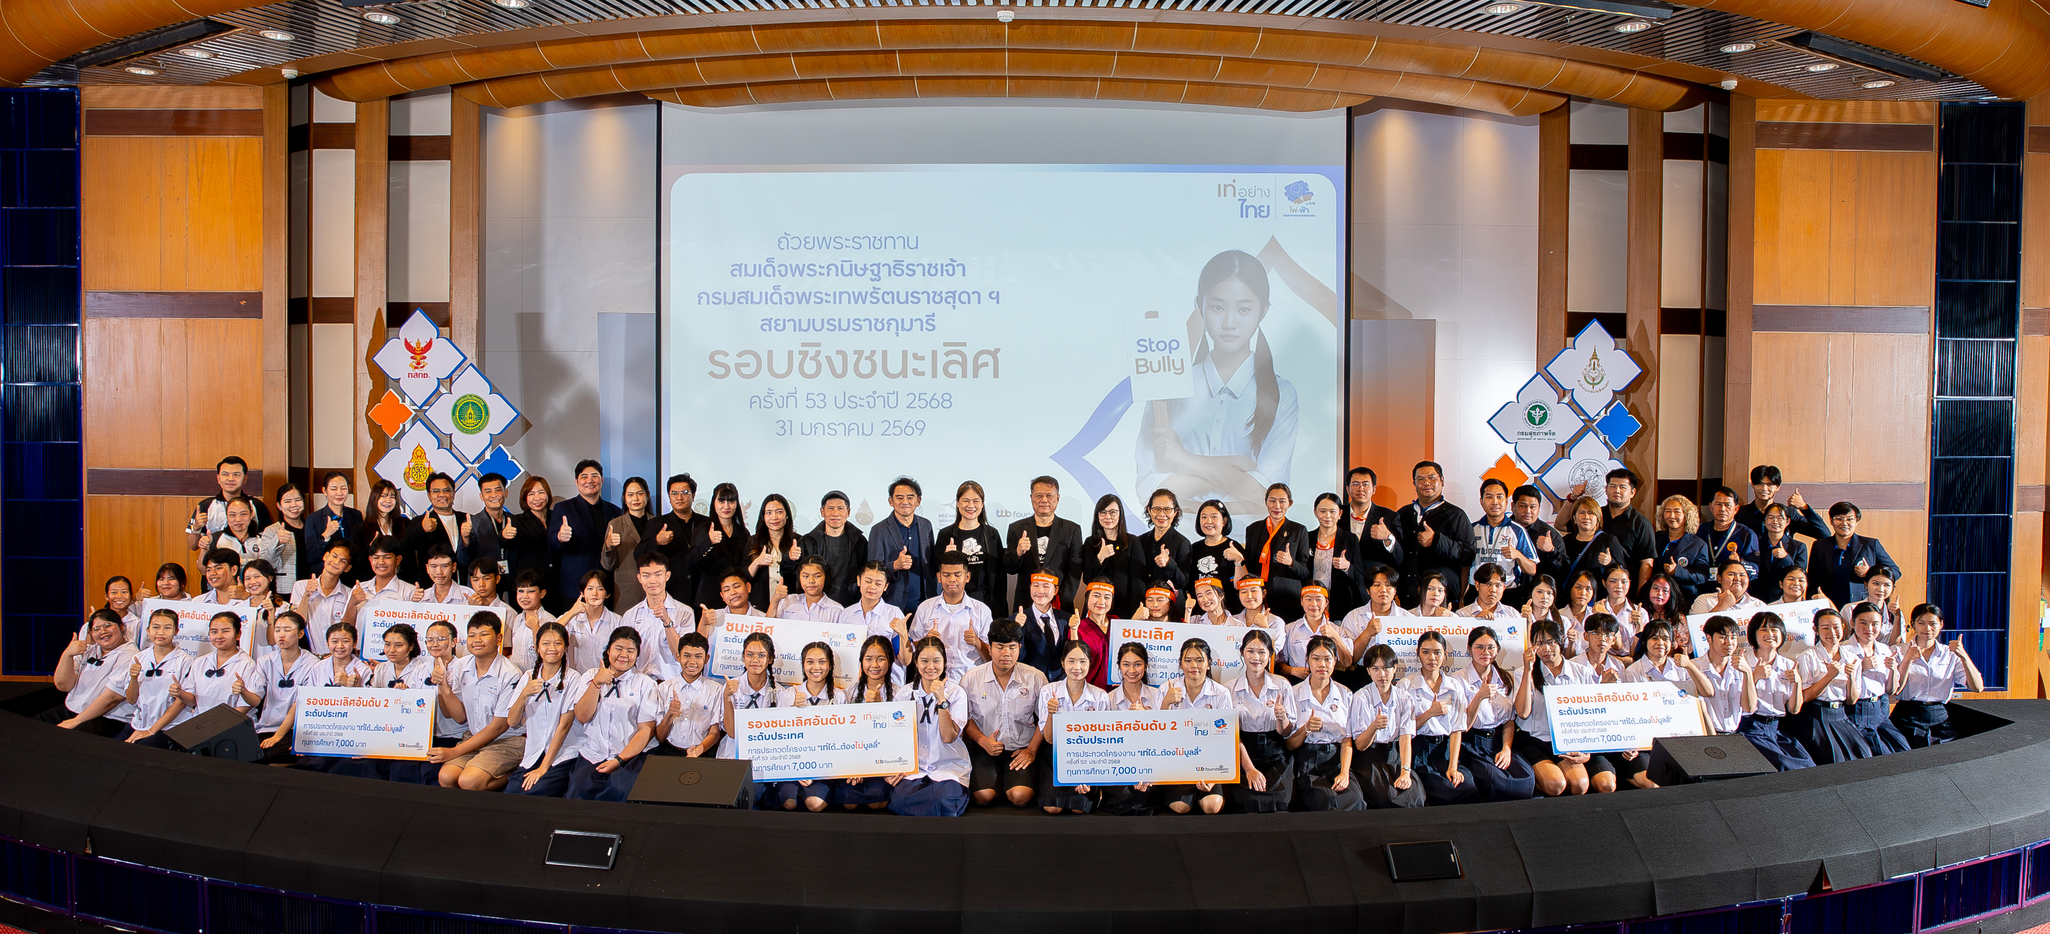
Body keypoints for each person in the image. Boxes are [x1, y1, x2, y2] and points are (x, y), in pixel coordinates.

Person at [1137, 248, 1304, 516]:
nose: (1229, 322)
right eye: (1217, 307)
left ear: (1263, 311)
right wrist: (1234, 470)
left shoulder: (1282, 394)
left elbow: (1268, 496)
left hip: (1249, 539)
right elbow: (1149, 489)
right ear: (1199, 306)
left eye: (1244, 309)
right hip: (1177, 538)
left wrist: (1184, 459)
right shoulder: (1169, 385)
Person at [566, 627, 659, 801]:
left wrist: (619, 760)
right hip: (594, 752)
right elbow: (582, 716)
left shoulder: (646, 684)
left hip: (630, 755)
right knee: (579, 791)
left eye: (630, 651)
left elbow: (645, 730)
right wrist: (596, 684)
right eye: (618, 648)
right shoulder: (590, 676)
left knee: (622, 791)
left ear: (637, 655)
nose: (624, 655)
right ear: (608, 650)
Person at [961, 619, 1046, 809]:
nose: (1006, 653)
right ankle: (996, 784)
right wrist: (983, 741)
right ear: (989, 649)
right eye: (999, 647)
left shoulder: (1035, 677)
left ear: (1019, 648)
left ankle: (1007, 783)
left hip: (1021, 749)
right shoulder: (971, 678)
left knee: (1020, 797)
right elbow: (964, 718)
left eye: (1012, 647)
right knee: (983, 797)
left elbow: (1046, 718)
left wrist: (1031, 750)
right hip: (984, 748)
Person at [1511, 619, 1603, 796]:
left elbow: (1591, 715)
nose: (1546, 649)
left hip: (1567, 740)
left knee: (1580, 784)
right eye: (1539, 643)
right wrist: (1528, 670)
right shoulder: (1522, 673)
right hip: (1535, 739)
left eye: (1551, 642)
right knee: (1555, 784)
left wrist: (1587, 752)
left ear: (1561, 641)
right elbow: (1522, 713)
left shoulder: (1582, 672)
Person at [437, 613, 527, 791]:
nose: (477, 640)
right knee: (446, 777)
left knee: (469, 781)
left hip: (505, 741)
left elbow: (499, 726)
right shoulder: (461, 666)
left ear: (499, 639)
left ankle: (517, 773)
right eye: (472, 635)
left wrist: (454, 752)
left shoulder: (510, 674)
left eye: (484, 634)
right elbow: (458, 717)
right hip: (473, 738)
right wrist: (443, 687)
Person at [1453, 626, 1537, 800]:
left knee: (1527, 778)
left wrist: (1506, 749)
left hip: (1501, 741)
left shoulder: (1505, 678)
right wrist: (1479, 697)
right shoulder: (1458, 680)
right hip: (1472, 744)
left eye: (1491, 647)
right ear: (1469, 649)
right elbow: (1463, 726)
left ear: (1497, 650)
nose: (1486, 652)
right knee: (1496, 781)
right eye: (1479, 647)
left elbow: (1509, 721)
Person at [504, 622, 587, 797]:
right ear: (537, 648)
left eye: (557, 643)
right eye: (546, 643)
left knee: (535, 793)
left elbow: (564, 726)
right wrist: (524, 694)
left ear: (566, 647)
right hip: (534, 752)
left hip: (563, 754)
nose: (552, 648)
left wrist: (543, 768)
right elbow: (512, 721)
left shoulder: (573, 678)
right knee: (511, 794)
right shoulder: (528, 676)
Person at [892, 636, 971, 817]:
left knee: (942, 799)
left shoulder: (956, 693)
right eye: (924, 661)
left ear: (944, 662)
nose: (930, 667)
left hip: (948, 767)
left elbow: (948, 737)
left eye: (936, 661)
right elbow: (896, 737)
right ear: (916, 662)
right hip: (915, 769)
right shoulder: (905, 694)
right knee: (899, 801)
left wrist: (941, 700)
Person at [1398, 631, 1479, 806]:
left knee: (1468, 788)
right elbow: (1403, 731)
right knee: (1443, 791)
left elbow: (1457, 729)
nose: (1431, 658)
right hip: (1417, 752)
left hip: (1445, 751)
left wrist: (1453, 767)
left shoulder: (1454, 685)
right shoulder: (1406, 685)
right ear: (1418, 653)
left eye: (1437, 652)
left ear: (1445, 655)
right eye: (1425, 652)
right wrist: (1429, 713)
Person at [1284, 636, 1364, 811]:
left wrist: (1344, 773)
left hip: (1336, 760)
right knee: (1326, 802)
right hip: (1307, 762)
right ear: (1307, 660)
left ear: (1335, 660)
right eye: (1316, 658)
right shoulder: (1293, 693)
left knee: (1356, 800)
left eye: (1327, 659)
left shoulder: (1346, 694)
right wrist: (1305, 729)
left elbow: (1347, 741)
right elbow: (1289, 744)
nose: (1322, 664)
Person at [1890, 604, 1984, 747]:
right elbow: (1893, 690)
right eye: (1921, 623)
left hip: (1939, 715)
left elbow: (1977, 687)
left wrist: (1963, 656)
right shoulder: (1898, 651)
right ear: (1913, 624)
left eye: (1933, 623)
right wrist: (1908, 660)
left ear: (1941, 624)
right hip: (1907, 715)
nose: (1927, 628)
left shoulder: (1950, 654)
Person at [1157, 638, 1233, 815]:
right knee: (1180, 807)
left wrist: (1214, 775)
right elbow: (1156, 735)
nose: (1193, 666)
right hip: (1176, 760)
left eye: (1199, 660)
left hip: (1209, 760)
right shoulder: (1165, 689)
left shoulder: (1221, 693)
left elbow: (1226, 739)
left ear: (1209, 664)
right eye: (1188, 660)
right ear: (1180, 664)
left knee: (1211, 806)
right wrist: (1166, 703)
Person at [1345, 644, 1424, 808]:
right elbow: (1360, 745)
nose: (1382, 674)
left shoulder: (1404, 697)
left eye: (1386, 668)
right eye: (1375, 669)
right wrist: (1374, 726)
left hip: (1395, 757)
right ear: (1368, 671)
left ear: (1395, 668)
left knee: (1415, 797)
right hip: (1369, 759)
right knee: (1388, 799)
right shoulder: (1361, 697)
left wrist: (1405, 772)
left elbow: (1405, 738)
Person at [1789, 610, 1872, 765]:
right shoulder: (1808, 656)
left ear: (1843, 627)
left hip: (1841, 714)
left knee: (1863, 755)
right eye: (1825, 628)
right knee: (1835, 761)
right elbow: (1804, 697)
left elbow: (1852, 700)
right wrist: (1829, 676)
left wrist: (1851, 678)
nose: (1832, 632)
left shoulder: (1852, 658)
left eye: (1836, 627)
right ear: (1816, 630)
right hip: (1816, 716)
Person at [1037, 639, 1110, 814]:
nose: (1077, 667)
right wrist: (1052, 713)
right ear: (1063, 663)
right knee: (1052, 808)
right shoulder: (1048, 691)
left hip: (1088, 758)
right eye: (1071, 661)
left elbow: (1103, 743)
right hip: (1055, 756)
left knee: (1078, 809)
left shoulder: (1100, 697)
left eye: (1082, 661)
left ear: (1090, 664)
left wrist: (1085, 773)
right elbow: (1049, 739)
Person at [772, 642, 848, 812]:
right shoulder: (789, 694)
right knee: (789, 802)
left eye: (822, 662)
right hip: (792, 765)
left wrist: (815, 770)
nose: (816, 667)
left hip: (824, 766)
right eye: (810, 662)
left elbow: (841, 741)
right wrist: (792, 710)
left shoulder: (839, 697)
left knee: (815, 804)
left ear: (830, 665)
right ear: (803, 665)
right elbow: (779, 736)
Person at [1736, 612, 1816, 771]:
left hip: (1775, 729)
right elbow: (1740, 705)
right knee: (1784, 765)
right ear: (1753, 634)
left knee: (1807, 764)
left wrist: (1798, 682)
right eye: (1763, 630)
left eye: (1774, 630)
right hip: (1750, 728)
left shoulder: (1789, 665)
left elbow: (1794, 709)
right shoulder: (1742, 663)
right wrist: (1754, 677)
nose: (1770, 634)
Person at [43, 609, 140, 736]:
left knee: (61, 738)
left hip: (107, 717)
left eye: (108, 625)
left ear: (122, 627)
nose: (103, 631)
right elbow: (63, 686)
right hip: (74, 709)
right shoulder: (89, 650)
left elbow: (112, 698)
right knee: (34, 727)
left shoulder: (131, 655)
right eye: (96, 629)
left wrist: (76, 721)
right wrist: (67, 654)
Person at [1228, 630, 1294, 812]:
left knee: (1281, 800)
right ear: (1242, 652)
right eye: (1250, 651)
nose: (1255, 657)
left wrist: (1282, 718)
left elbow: (1286, 732)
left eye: (1261, 652)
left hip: (1276, 753)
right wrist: (1249, 769)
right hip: (1243, 753)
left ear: (1270, 655)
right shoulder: (1229, 688)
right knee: (1245, 801)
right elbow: (1230, 734)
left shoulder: (1282, 685)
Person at [549, 460, 624, 612]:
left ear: (602, 480)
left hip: (606, 585)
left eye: (594, 476)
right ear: (576, 481)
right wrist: (560, 537)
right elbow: (551, 541)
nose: (590, 480)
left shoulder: (615, 511)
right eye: (584, 477)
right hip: (574, 585)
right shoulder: (563, 508)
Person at [1095, 642, 1160, 816]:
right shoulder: (1106, 699)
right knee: (1122, 796)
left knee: (1147, 792)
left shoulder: (1158, 696)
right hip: (1117, 765)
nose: (1132, 670)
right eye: (1126, 664)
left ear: (1146, 666)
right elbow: (1102, 743)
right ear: (1119, 667)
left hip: (1149, 764)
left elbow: (1162, 741)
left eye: (1137, 664)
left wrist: (1145, 720)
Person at [1398, 462, 1475, 607]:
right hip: (1408, 597)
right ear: (1414, 483)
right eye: (1420, 479)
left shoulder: (1456, 515)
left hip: (1443, 598)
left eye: (1432, 478)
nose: (1426, 483)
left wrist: (1436, 540)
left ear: (1442, 480)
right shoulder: (1403, 513)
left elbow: (1468, 554)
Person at [246, 610, 319, 763]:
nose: (281, 635)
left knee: (272, 755)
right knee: (249, 753)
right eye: (277, 630)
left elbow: (300, 704)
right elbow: (255, 699)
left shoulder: (313, 664)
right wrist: (243, 691)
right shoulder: (265, 661)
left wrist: (278, 736)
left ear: (300, 634)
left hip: (295, 729)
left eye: (287, 630)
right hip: (267, 726)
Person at [841, 636, 903, 811]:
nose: (874, 665)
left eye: (880, 659)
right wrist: (853, 766)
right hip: (855, 758)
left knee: (876, 804)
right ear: (861, 662)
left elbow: (900, 736)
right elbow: (843, 733)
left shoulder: (900, 694)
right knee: (849, 803)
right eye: (868, 659)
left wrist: (879, 708)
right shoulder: (849, 692)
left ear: (890, 661)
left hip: (884, 761)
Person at [1004, 476, 1083, 613]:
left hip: (1059, 604)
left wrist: (1060, 599)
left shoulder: (1072, 529)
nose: (1044, 500)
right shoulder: (1016, 528)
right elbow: (1010, 568)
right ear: (1031, 498)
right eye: (1039, 495)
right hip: (1025, 604)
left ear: (1057, 498)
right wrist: (1018, 552)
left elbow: (1075, 570)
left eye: (1049, 496)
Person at [114, 609, 192, 748]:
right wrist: (133, 678)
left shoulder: (185, 660)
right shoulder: (139, 658)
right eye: (156, 627)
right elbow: (131, 699)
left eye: (167, 628)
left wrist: (151, 731)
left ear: (176, 631)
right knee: (113, 748)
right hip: (140, 723)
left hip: (170, 727)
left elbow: (181, 702)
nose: (161, 632)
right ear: (148, 631)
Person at [911, 551, 993, 677]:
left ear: (967, 577)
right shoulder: (925, 608)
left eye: (957, 575)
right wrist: (925, 641)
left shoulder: (982, 610)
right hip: (933, 678)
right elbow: (910, 651)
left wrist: (977, 643)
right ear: (939, 577)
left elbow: (991, 658)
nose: (952, 579)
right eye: (946, 575)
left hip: (971, 679)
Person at [1844, 603, 1912, 754]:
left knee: (1903, 749)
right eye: (1863, 623)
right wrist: (1861, 667)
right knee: (1879, 754)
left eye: (1875, 624)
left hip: (1879, 710)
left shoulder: (1884, 649)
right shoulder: (1843, 650)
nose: (1869, 628)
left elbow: (1891, 690)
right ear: (1852, 623)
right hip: (1854, 711)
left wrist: (1893, 670)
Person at [620, 553, 699, 682]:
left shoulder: (685, 613)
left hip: (672, 683)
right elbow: (624, 653)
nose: (652, 581)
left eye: (658, 575)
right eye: (646, 575)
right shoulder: (630, 615)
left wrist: (667, 622)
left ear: (667, 576)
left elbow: (682, 655)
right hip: (639, 684)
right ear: (639, 578)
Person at [169, 613, 257, 728]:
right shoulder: (200, 662)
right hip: (201, 725)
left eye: (225, 631)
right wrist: (180, 693)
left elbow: (246, 705)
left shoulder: (247, 664)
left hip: (232, 725)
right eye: (214, 632)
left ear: (238, 634)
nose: (219, 636)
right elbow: (192, 700)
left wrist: (216, 726)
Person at [935, 480, 1007, 618]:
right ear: (957, 503)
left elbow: (1000, 574)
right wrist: (946, 558)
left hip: (986, 599)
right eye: (965, 501)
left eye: (976, 501)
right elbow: (936, 570)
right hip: (955, 600)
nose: (971, 505)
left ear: (982, 503)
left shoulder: (992, 534)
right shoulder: (945, 534)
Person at [1807, 501, 1900, 607]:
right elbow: (1812, 580)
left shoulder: (1870, 544)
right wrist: (1811, 601)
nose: (1844, 523)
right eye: (1839, 519)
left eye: (1849, 519)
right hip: (1828, 606)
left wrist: (1869, 573)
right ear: (1831, 521)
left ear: (1856, 521)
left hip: (1860, 606)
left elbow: (1895, 572)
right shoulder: (1819, 546)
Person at [631, 473, 705, 603]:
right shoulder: (657, 523)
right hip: (672, 591)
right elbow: (638, 554)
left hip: (702, 591)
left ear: (693, 496)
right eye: (674, 493)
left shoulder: (706, 523)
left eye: (685, 493)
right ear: (669, 497)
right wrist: (656, 541)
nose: (679, 497)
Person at [1243, 484, 1311, 620]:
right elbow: (1250, 566)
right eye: (1272, 501)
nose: (1277, 506)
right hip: (1257, 597)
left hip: (1287, 599)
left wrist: (1291, 563)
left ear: (1290, 503)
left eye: (1282, 501)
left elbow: (1306, 572)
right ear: (1266, 502)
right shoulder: (1253, 529)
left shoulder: (1298, 530)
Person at [868, 477, 936, 612]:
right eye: (899, 497)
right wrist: (895, 565)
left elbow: (932, 563)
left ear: (918, 501)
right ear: (891, 501)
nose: (905, 502)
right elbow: (872, 570)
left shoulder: (926, 525)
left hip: (924, 603)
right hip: (892, 603)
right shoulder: (879, 530)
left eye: (910, 497)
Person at [1338, 566, 1410, 690]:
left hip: (1399, 676)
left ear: (1395, 590)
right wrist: (1367, 633)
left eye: (1388, 585)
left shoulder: (1407, 618)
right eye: (1377, 585)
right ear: (1368, 590)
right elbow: (1349, 659)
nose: (1383, 590)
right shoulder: (1353, 617)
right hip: (1363, 676)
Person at [653, 632, 722, 759]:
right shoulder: (664, 688)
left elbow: (715, 732)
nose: (692, 661)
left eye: (698, 656)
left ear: (706, 659)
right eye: (687, 655)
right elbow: (660, 737)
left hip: (703, 753)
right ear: (678, 657)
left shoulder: (716, 690)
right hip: (669, 753)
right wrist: (670, 715)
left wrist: (698, 751)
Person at [1079, 493, 1147, 618]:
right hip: (1097, 607)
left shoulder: (1132, 541)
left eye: (1112, 512)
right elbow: (1087, 578)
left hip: (1124, 607)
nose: (1107, 517)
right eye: (1103, 512)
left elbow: (1138, 583)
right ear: (1097, 515)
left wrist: (1135, 612)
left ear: (1120, 514)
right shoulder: (1090, 542)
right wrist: (1100, 558)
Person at [184, 456, 271, 552]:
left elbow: (267, 542)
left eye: (236, 475)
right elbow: (193, 546)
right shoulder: (206, 506)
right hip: (215, 560)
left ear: (245, 478)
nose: (230, 479)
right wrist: (196, 528)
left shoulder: (257, 506)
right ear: (218, 478)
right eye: (225, 474)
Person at [717, 631, 779, 765]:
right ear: (743, 657)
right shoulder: (731, 687)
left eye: (761, 655)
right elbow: (732, 732)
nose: (755, 660)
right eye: (750, 655)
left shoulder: (780, 692)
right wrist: (727, 698)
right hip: (733, 756)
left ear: (770, 659)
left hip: (765, 758)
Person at [797, 489, 866, 607]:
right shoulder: (808, 541)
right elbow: (797, 575)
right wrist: (789, 559)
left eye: (840, 508)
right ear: (822, 512)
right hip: (816, 604)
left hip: (850, 604)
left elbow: (865, 573)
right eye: (830, 508)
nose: (835, 513)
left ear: (848, 512)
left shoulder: (859, 541)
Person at [685, 482, 749, 609]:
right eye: (721, 501)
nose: (726, 506)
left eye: (731, 501)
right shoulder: (703, 530)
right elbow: (689, 563)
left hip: (737, 599)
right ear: (714, 503)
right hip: (710, 598)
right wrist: (708, 542)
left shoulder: (743, 532)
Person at [1470, 479, 1536, 601]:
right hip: (1476, 591)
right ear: (1481, 501)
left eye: (1499, 497)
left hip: (1508, 593)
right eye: (1489, 497)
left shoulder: (1517, 530)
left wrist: (1518, 555)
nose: (1495, 502)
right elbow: (1464, 566)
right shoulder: (1471, 529)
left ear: (1506, 501)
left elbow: (1532, 569)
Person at [837, 562, 910, 671]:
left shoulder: (894, 613)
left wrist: (903, 635)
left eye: (878, 583)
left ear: (885, 586)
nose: (872, 587)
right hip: (853, 677)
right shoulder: (846, 614)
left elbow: (906, 661)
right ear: (859, 581)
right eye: (868, 581)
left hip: (888, 678)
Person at [1695, 615, 1757, 741]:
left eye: (1733, 637)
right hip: (1703, 737)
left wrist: (1748, 673)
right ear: (1709, 638)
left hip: (1734, 735)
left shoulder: (1741, 668)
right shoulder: (1695, 667)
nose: (1729, 642)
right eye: (1723, 637)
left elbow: (1749, 708)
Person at [404, 473, 471, 589]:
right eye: (436, 491)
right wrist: (422, 529)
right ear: (429, 495)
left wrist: (467, 539)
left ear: (453, 493)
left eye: (446, 490)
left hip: (466, 588)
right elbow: (404, 549)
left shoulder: (467, 519)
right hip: (431, 589)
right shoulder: (419, 522)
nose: (442, 495)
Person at [599, 476, 656, 610]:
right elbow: (608, 565)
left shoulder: (657, 523)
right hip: (627, 592)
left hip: (654, 588)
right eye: (630, 495)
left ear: (647, 496)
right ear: (624, 498)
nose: (635, 498)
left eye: (640, 493)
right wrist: (608, 546)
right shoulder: (615, 524)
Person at [503, 476, 561, 608]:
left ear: (548, 494)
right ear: (525, 498)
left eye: (541, 492)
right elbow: (506, 543)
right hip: (530, 586)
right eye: (531, 494)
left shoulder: (558, 518)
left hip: (556, 584)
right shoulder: (517, 521)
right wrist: (504, 536)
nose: (537, 498)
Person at [1307, 493, 1366, 619]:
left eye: (1332, 511)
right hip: (1312, 603)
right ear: (1315, 512)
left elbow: (1360, 577)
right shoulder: (1307, 537)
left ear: (1340, 514)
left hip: (1341, 603)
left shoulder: (1350, 539)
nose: (1327, 515)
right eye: (1322, 511)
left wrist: (1347, 566)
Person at [1180, 500, 1245, 612]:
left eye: (1214, 517)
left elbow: (1243, 584)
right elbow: (1188, 582)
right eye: (1204, 517)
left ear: (1224, 521)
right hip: (1200, 612)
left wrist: (1238, 560)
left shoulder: (1234, 547)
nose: (1208, 521)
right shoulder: (1194, 548)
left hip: (1230, 611)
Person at [1735, 465, 1829, 543]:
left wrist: (1804, 508)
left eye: (1769, 484)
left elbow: (1824, 535)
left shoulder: (1788, 513)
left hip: (1782, 559)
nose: (1764, 488)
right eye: (1759, 484)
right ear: (1753, 485)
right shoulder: (1740, 513)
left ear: (1778, 487)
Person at [1343, 467, 1405, 585]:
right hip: (1343, 583)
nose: (1361, 488)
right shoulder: (1337, 514)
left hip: (1374, 583)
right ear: (1347, 489)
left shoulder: (1389, 516)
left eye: (1366, 484)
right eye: (1355, 484)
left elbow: (1400, 557)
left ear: (1374, 489)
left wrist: (1388, 537)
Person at [744, 493, 803, 612]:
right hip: (760, 608)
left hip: (791, 607)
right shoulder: (753, 542)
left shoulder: (798, 541)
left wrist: (792, 559)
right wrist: (757, 562)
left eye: (779, 512)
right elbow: (743, 577)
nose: (774, 517)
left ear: (787, 515)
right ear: (763, 517)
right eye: (769, 513)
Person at [340, 536, 416, 628]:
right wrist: (352, 604)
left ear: (398, 559)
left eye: (387, 557)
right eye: (376, 557)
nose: (381, 562)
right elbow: (344, 628)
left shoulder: (409, 591)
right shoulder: (359, 589)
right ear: (370, 560)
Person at [1280, 584, 1351, 680]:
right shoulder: (1289, 629)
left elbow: (1347, 662)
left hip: (1327, 681)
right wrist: (1292, 670)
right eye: (1308, 599)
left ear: (1326, 602)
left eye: (1318, 599)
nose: (1313, 604)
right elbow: (1277, 664)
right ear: (1301, 601)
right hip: (1297, 681)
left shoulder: (1337, 630)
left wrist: (1335, 637)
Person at [1510, 486, 1568, 606]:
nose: (1528, 511)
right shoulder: (1503, 529)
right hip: (1506, 597)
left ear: (1539, 508)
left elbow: (1564, 571)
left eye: (1533, 507)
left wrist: (1551, 552)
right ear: (1512, 506)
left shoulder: (1550, 534)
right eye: (1523, 506)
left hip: (1537, 602)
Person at [1557, 496, 1627, 593]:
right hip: (1569, 595)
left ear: (1598, 518)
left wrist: (1610, 562)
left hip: (1597, 595)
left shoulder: (1609, 540)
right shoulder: (1566, 540)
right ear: (1574, 518)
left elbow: (1623, 571)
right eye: (1581, 512)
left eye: (1590, 513)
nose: (1586, 517)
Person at [1695, 487, 1762, 587]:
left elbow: (1755, 570)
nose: (1722, 509)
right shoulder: (1699, 531)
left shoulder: (1747, 534)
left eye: (1727, 505)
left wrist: (1740, 562)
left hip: (1732, 590)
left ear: (1736, 509)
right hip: (1701, 589)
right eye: (1718, 504)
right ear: (1711, 506)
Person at [1652, 494, 1711, 604]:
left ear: (1686, 515)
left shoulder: (1698, 544)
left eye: (1677, 511)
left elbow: (1702, 576)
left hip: (1682, 599)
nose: (1671, 515)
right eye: (1668, 511)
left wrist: (1677, 571)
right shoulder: (1655, 538)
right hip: (1656, 598)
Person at [560, 571, 623, 674]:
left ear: (607, 594)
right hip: (575, 679)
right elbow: (550, 632)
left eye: (600, 589)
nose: (595, 593)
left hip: (605, 678)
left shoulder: (618, 621)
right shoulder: (571, 617)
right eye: (590, 589)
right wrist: (571, 612)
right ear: (582, 593)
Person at [248, 482, 309, 588]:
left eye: (298, 500)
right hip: (285, 587)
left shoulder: (311, 526)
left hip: (310, 585)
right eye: (287, 501)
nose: (294, 504)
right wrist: (278, 541)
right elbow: (267, 563)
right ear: (279, 506)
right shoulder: (271, 530)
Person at [1138, 489, 1193, 598]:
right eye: (1156, 509)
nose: (1161, 514)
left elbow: (1184, 583)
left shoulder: (1182, 543)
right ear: (1149, 510)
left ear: (1175, 512)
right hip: (1144, 602)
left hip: (1170, 603)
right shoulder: (1140, 541)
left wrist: (1169, 563)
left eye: (1167, 509)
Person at [1752, 502, 1812, 602]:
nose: (1775, 521)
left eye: (1780, 518)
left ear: (1787, 521)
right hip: (1757, 600)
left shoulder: (1799, 547)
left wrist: (1785, 558)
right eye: (1770, 517)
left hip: (1786, 600)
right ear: (1764, 521)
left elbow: (1799, 575)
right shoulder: (1755, 544)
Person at [350, 480, 406, 584]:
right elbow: (356, 564)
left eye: (392, 497)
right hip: (372, 584)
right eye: (383, 496)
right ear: (374, 498)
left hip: (402, 583)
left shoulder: (404, 524)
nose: (388, 500)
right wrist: (370, 548)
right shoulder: (360, 529)